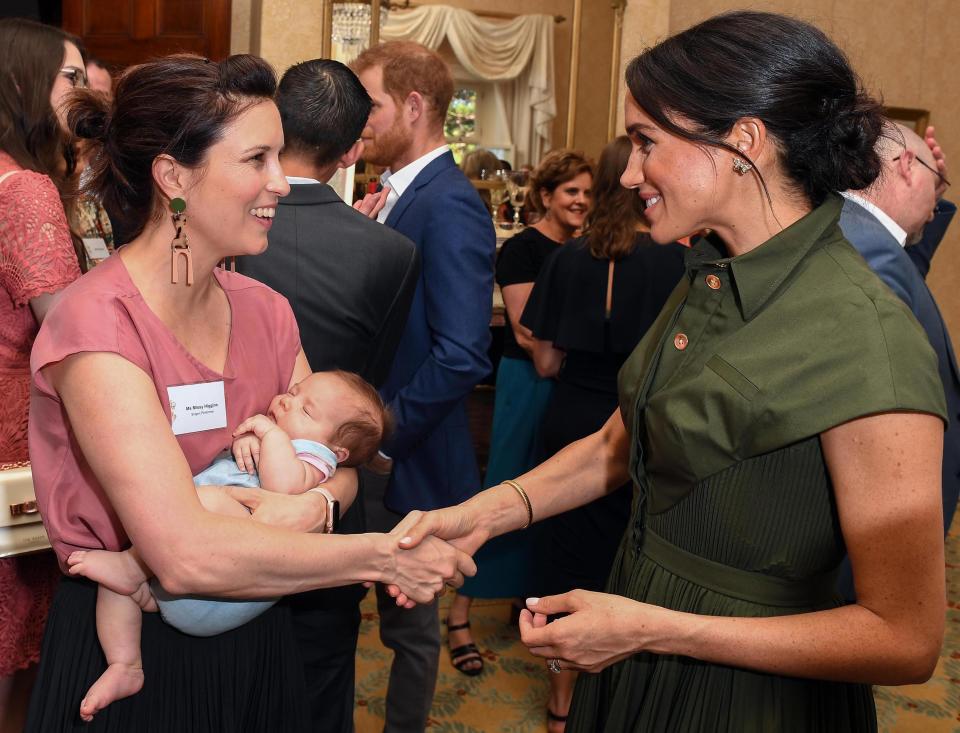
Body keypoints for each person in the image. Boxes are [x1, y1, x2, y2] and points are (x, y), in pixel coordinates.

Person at [398, 11, 947, 731]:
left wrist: (654, 629)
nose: (627, 173)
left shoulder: (866, 333)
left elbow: (906, 637)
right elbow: (616, 446)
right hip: (638, 651)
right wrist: (485, 513)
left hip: (748, 699)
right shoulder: (705, 278)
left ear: (742, 140)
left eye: (645, 142)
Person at [24, 53, 474, 732]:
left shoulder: (267, 309)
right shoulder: (95, 327)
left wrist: (315, 503)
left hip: (259, 637)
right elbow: (184, 554)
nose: (280, 183)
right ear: (175, 177)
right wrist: (374, 552)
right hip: (133, 648)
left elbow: (340, 457)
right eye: (257, 159)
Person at [235, 57, 420, 733]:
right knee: (319, 682)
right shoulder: (390, 252)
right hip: (329, 480)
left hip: (229, 476)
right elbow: (373, 378)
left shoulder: (224, 229)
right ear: (351, 150)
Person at [69, 369, 390, 720]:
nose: (287, 401)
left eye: (306, 410)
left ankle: (131, 566)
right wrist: (249, 441)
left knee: (203, 504)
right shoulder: (288, 438)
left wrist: (269, 435)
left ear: (338, 452)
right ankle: (125, 663)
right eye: (294, 392)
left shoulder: (316, 459)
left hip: (215, 588)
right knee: (114, 590)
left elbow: (283, 485)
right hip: (172, 577)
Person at [352, 40, 495, 731]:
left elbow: (463, 353)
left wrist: (383, 438)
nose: (359, 119)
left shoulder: (449, 204)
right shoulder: (398, 197)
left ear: (414, 106)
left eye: (370, 103)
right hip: (377, 452)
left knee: (409, 632)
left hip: (406, 459)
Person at [520, 136, 685, 729]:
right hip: (641, 424)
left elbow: (542, 362)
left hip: (571, 416)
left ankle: (560, 704)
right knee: (630, 553)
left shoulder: (569, 257)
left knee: (564, 555)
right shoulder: (678, 263)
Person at [450, 149, 592, 677]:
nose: (581, 201)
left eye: (587, 192)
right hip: (527, 382)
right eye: (571, 191)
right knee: (510, 490)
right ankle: (460, 615)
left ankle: (527, 598)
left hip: (569, 387)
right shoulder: (525, 250)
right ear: (548, 196)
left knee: (558, 499)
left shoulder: (590, 250)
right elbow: (528, 329)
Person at [0, 18, 85, 733]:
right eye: (71, 77)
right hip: (16, 436)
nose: (82, 92)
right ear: (25, 81)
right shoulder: (24, 189)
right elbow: (70, 327)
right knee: (21, 648)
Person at [839, 123, 959, 546]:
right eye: (935, 180)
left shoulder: (862, 234)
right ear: (907, 164)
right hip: (882, 512)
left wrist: (934, 193)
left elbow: (906, 272)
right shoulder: (867, 248)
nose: (935, 201)